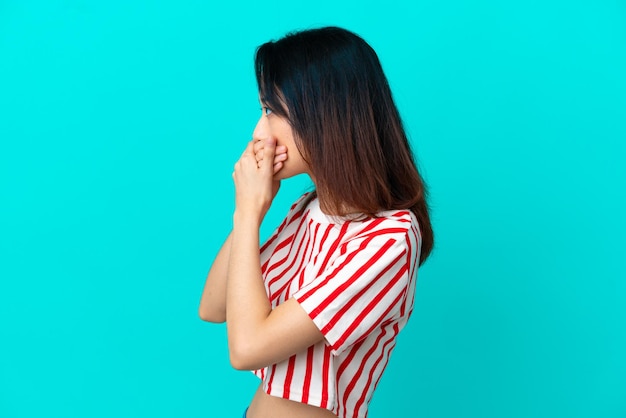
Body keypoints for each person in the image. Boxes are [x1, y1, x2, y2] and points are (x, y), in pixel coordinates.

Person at [199, 26, 434, 418]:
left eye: (273, 111)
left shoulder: (390, 239)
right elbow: (213, 306)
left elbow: (247, 348)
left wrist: (248, 210)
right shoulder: (307, 209)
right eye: (262, 110)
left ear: (326, 114)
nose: (260, 132)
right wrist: (248, 216)